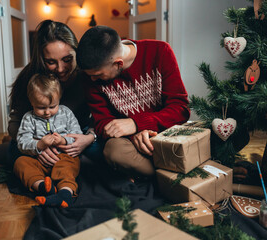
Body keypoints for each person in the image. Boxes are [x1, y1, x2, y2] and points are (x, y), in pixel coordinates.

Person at [76, 26, 190, 176]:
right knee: (114, 151)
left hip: (165, 133)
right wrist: (133, 135)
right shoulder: (89, 76)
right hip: (129, 142)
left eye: (98, 75)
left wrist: (136, 123)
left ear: (118, 64)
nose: (93, 79)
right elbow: (102, 122)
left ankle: (167, 176)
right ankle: (167, 178)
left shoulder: (160, 51)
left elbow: (181, 109)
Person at [8, 20, 101, 167]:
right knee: (16, 154)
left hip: (76, 134)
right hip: (37, 138)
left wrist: (89, 137)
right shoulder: (30, 77)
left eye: (67, 59)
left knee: (102, 151)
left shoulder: (90, 75)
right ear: (41, 59)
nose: (60, 69)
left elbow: (101, 116)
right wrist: (37, 148)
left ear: (77, 52)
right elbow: (14, 124)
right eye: (51, 62)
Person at [14, 74, 81, 208]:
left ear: (59, 98)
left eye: (52, 106)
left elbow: (77, 134)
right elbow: (22, 141)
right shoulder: (29, 118)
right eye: (41, 107)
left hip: (63, 157)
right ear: (31, 102)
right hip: (39, 161)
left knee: (69, 165)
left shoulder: (66, 113)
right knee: (20, 163)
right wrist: (38, 144)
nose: (47, 112)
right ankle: (43, 187)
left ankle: (65, 194)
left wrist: (63, 140)